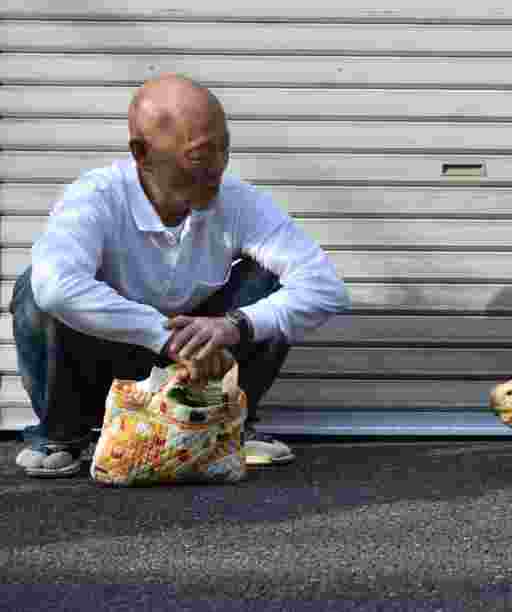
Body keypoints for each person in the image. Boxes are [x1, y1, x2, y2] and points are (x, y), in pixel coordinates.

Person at [9, 74, 351, 477]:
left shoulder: (238, 201)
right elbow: (55, 286)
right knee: (36, 291)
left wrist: (233, 326)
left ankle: (226, 424)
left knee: (269, 283)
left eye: (225, 149)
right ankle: (61, 434)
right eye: (201, 154)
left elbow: (325, 287)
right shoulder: (95, 198)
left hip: (206, 361)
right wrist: (167, 337)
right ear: (142, 152)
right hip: (110, 353)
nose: (218, 166)